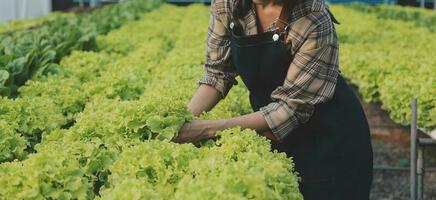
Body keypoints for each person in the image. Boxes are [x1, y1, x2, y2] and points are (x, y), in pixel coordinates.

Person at [173, 0, 373, 199]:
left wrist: (206, 129)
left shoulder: (313, 18)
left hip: (328, 138)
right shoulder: (227, 3)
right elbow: (217, 73)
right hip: (272, 127)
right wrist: (182, 122)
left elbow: (290, 109)